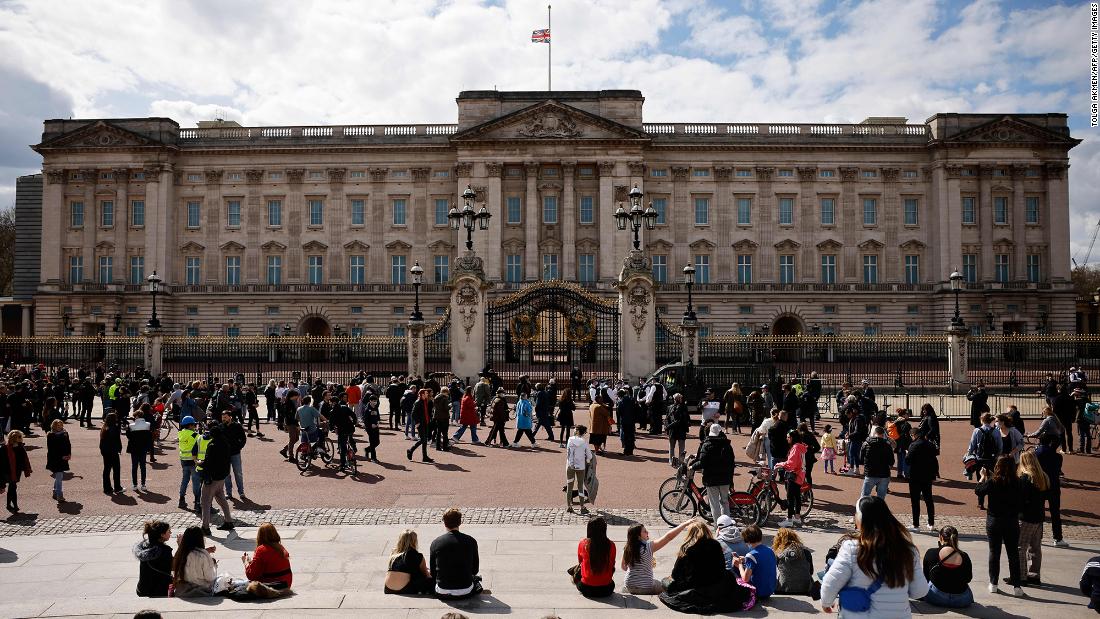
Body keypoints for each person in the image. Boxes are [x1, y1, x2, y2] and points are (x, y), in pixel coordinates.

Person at [820, 496, 928, 616]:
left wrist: (826, 602)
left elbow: (831, 583)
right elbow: (920, 591)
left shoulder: (852, 548)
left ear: (861, 519)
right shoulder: (908, 550)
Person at [663, 519, 756, 613]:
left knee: (666, 583)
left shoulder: (688, 549)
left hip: (697, 586)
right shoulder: (716, 545)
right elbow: (721, 568)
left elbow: (675, 574)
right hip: (717, 585)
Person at [974, 455, 1024, 596]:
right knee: (1013, 553)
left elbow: (978, 491)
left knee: (994, 552)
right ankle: (1017, 586)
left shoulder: (993, 481)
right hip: (1011, 520)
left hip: (994, 520)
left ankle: (993, 583)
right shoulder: (1018, 482)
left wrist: (983, 477)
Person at [622, 519, 695, 595]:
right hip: (645, 587)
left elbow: (624, 567)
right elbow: (668, 537)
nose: (647, 532)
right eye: (644, 531)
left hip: (629, 584)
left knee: (655, 582)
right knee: (665, 584)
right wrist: (684, 524)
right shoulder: (648, 547)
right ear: (638, 536)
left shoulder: (627, 548)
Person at [429, 508, 488, 599]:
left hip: (442, 590)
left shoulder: (436, 542)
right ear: (460, 522)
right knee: (476, 580)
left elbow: (433, 572)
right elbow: (475, 570)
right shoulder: (471, 541)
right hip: (466, 589)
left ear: (444, 523)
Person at [920, 525, 974, 608]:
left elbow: (926, 577)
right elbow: (968, 578)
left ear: (941, 537)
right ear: (956, 539)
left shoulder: (931, 553)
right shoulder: (964, 556)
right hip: (962, 600)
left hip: (936, 597)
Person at [1017, 450, 1050, 585]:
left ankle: (1021, 576)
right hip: (1039, 516)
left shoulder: (1025, 478)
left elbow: (1020, 499)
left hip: (1026, 517)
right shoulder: (1043, 476)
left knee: (1020, 547)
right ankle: (1034, 574)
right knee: (1035, 547)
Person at [691, 423, 735, 522]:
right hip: (725, 478)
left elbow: (702, 462)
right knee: (725, 502)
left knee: (714, 504)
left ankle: (718, 526)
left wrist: (692, 466)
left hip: (711, 478)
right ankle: (727, 525)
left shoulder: (706, 444)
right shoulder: (727, 445)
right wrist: (731, 479)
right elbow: (732, 463)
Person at [197, 422, 235, 536]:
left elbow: (209, 462)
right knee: (221, 498)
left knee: (205, 502)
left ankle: (205, 527)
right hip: (222, 476)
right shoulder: (225, 443)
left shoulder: (213, 445)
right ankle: (228, 521)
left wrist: (200, 463)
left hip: (212, 478)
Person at [1034, 434, 1068, 548]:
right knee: (1055, 513)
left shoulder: (1035, 454)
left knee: (1039, 512)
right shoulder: (1058, 457)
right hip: (1053, 486)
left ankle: (1038, 537)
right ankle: (1057, 538)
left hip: (1039, 486)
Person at [571, 516, 616, 598]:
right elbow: (612, 563)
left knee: (576, 570)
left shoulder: (583, 544)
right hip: (606, 589)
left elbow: (580, 562)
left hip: (586, 588)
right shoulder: (611, 545)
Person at [905, 427, 939, 532]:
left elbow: (907, 461)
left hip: (915, 476)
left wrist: (907, 453)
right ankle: (931, 523)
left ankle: (916, 524)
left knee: (915, 501)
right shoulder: (930, 445)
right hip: (927, 476)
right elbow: (935, 460)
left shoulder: (913, 445)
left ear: (913, 435)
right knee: (929, 500)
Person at [243, 522, 293, 590]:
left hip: (271, 586)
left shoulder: (261, 549)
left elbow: (251, 575)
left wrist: (246, 562)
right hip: (286, 584)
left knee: (240, 585)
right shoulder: (280, 547)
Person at [968, 412, 1003, 507]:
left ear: (982, 420)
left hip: (980, 458)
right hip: (991, 459)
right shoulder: (996, 431)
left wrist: (970, 454)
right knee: (992, 479)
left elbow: (972, 445)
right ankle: (992, 502)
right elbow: (1000, 446)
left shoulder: (977, 430)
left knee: (981, 479)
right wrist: (996, 456)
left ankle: (980, 502)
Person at [774, 428, 807, 528]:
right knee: (797, 497)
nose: (787, 439)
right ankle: (797, 517)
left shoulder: (795, 448)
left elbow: (791, 464)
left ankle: (789, 519)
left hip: (794, 474)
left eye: (788, 437)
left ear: (793, 438)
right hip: (800, 474)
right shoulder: (801, 447)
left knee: (790, 497)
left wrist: (779, 464)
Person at [171, 526, 218, 597]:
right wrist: (214, 565)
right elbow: (210, 578)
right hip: (202, 591)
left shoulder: (181, 554)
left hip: (183, 590)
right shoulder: (203, 556)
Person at [733, 524, 776, 599]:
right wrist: (745, 559)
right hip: (770, 590)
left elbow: (745, 579)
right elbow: (761, 561)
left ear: (747, 540)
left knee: (735, 567)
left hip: (758, 592)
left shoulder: (751, 555)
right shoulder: (770, 550)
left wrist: (739, 565)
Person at [384, 529, 433, 595]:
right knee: (430, 580)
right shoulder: (417, 556)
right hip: (404, 589)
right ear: (414, 541)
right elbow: (426, 574)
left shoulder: (394, 554)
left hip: (388, 588)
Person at [134, 521, 173, 597]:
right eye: (168, 531)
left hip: (142, 589)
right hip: (159, 590)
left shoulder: (144, 547)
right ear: (162, 535)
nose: (171, 533)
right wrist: (181, 547)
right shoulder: (165, 551)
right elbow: (174, 567)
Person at [773, 527, 814, 595]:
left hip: (783, 589)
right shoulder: (806, 552)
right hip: (805, 589)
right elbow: (811, 571)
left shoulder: (778, 554)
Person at [860, 425, 894, 500]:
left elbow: (861, 459)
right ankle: (879, 511)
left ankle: (863, 511)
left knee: (864, 496)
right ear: (883, 434)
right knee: (881, 498)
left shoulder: (866, 443)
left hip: (870, 473)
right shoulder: (887, 445)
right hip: (884, 474)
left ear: (874, 433)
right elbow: (892, 461)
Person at [0, 430, 31, 513]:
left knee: (12, 487)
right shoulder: (4, 448)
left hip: (16, 471)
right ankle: (15, 505)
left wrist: (25, 468)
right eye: (19, 437)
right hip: (8, 471)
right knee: (13, 487)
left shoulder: (20, 447)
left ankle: (9, 505)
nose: (20, 439)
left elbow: (23, 459)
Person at [220, 410, 247, 501]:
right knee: (226, 475)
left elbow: (243, 438)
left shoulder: (237, 426)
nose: (223, 419)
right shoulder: (220, 427)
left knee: (238, 473)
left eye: (225, 417)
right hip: (224, 455)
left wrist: (239, 447)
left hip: (235, 453)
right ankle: (229, 493)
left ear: (230, 417)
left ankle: (241, 492)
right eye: (223, 417)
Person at [566, 425, 593, 514]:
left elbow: (568, 452)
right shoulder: (584, 442)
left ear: (577, 431)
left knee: (569, 486)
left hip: (570, 466)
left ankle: (569, 506)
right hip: (580, 467)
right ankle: (582, 507)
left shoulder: (570, 440)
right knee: (580, 486)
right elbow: (590, 456)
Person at [126, 410, 153, 492]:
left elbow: (128, 436)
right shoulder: (148, 425)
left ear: (136, 416)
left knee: (134, 467)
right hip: (143, 448)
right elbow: (149, 436)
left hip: (134, 448)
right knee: (143, 466)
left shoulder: (131, 425)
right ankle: (143, 484)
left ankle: (135, 485)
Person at [406, 389, 435, 463]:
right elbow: (413, 414)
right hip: (421, 423)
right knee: (423, 440)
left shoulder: (425, 401)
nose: (427, 394)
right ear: (422, 394)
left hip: (425, 422)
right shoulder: (418, 402)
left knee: (424, 441)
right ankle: (410, 450)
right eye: (426, 393)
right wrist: (417, 422)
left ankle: (424, 457)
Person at [46, 418, 71, 502]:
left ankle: (54, 490)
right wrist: (61, 456)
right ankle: (59, 495)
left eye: (61, 425)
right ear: (54, 426)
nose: (59, 427)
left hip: (64, 458)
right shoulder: (50, 435)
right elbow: (52, 449)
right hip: (55, 458)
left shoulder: (65, 434)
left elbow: (68, 444)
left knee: (59, 476)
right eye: (58, 425)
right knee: (59, 475)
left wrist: (69, 454)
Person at [99, 411, 123, 494]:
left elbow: (102, 442)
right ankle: (117, 487)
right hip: (112, 451)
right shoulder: (114, 428)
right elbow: (116, 440)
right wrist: (119, 449)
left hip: (105, 452)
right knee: (116, 470)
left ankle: (107, 488)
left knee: (107, 469)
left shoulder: (104, 428)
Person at [665, 393, 689, 466]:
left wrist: (667, 427)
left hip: (681, 429)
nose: (678, 400)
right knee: (671, 446)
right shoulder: (670, 407)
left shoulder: (683, 407)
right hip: (672, 430)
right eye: (676, 398)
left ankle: (681, 462)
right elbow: (667, 418)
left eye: (679, 398)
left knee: (681, 447)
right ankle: (671, 461)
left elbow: (680, 420)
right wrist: (666, 427)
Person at [363, 395, 382, 462]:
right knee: (372, 442)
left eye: (376, 401)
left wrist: (378, 421)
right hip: (370, 428)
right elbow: (365, 420)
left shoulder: (376, 407)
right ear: (370, 401)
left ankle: (367, 449)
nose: (375, 402)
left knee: (377, 442)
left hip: (376, 427)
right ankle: (373, 458)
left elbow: (378, 416)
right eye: (374, 401)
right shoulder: (367, 409)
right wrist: (371, 425)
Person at [431, 388, 450, 453]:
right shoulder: (445, 398)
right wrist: (450, 406)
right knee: (445, 432)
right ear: (445, 392)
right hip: (444, 417)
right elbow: (446, 408)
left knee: (438, 432)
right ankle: (445, 447)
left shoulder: (436, 397)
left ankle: (438, 446)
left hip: (437, 416)